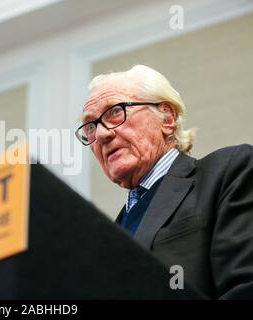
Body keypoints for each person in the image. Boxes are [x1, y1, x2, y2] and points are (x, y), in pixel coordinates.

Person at [75, 65, 253, 299]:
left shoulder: (228, 170)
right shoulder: (108, 235)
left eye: (115, 112)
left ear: (167, 117)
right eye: (90, 126)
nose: (101, 134)